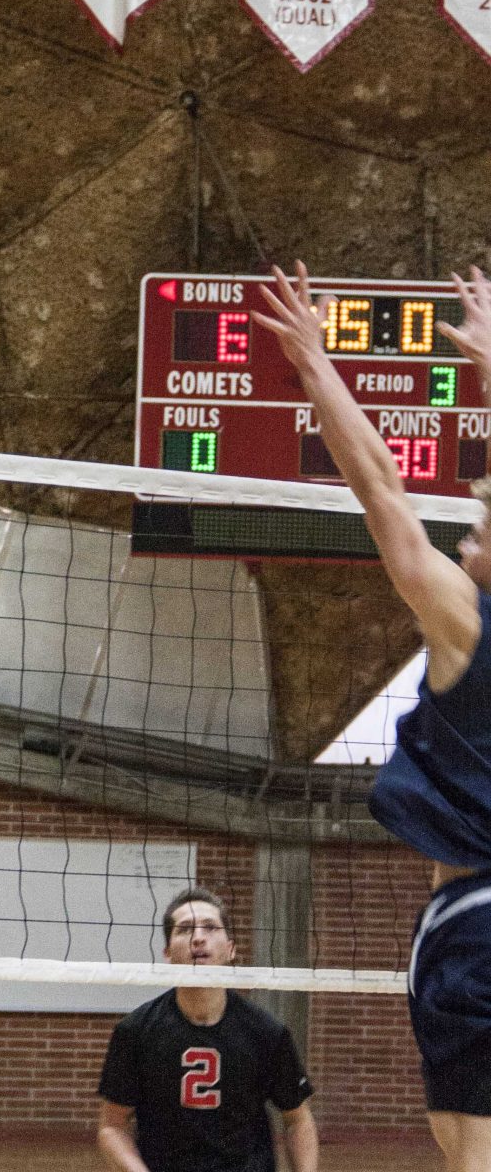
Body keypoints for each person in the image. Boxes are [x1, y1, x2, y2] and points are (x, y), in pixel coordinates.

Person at [256, 262, 491, 1172]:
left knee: (468, 1150)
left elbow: (384, 495)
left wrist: (315, 365)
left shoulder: (464, 623)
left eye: (479, 525)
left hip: (475, 921)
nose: (466, 530)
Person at [98, 887, 317, 1172]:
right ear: (167, 953)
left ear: (231, 948)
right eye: (185, 929)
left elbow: (297, 1120)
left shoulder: (267, 1032)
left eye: (211, 928)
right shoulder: (135, 1032)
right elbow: (113, 1126)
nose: (198, 938)